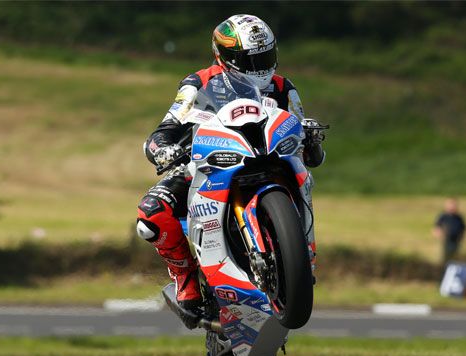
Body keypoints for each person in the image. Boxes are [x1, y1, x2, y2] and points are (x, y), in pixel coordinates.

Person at [135, 14, 326, 312]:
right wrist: (162, 149)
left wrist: (311, 138)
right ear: (224, 56)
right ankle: (186, 279)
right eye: (249, 60)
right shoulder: (198, 82)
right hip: (211, 160)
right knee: (151, 215)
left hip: (270, 158)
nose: (259, 67)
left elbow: (307, 145)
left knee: (303, 178)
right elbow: (167, 127)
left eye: (266, 56)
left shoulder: (284, 87)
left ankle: (300, 254)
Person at [433, 198, 466, 262]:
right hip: (446, 241)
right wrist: (440, 236)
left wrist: (462, 238)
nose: (452, 207)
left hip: (457, 241)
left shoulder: (459, 217)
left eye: (454, 205)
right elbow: (437, 228)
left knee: (456, 257)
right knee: (446, 257)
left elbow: (464, 229)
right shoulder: (443, 216)